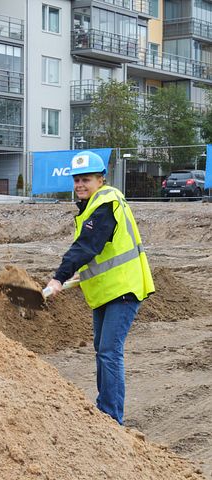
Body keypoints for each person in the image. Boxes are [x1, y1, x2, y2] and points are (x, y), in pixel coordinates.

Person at [45, 150, 154, 425]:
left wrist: (58, 277)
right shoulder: (93, 206)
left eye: (86, 179)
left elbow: (87, 246)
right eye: (77, 180)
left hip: (124, 289)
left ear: (101, 179)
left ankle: (111, 416)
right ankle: (104, 407)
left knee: (109, 351)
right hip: (108, 289)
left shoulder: (105, 204)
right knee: (102, 349)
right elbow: (99, 252)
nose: (80, 185)